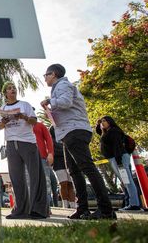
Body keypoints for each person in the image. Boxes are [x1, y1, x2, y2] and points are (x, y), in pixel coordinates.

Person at [40, 64, 115, 220]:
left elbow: (66, 102)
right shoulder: (58, 88)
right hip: (68, 132)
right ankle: (83, 208)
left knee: (87, 167)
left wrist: (49, 101)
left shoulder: (63, 85)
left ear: (53, 74)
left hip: (75, 131)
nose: (45, 78)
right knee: (74, 171)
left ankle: (106, 209)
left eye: (46, 75)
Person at [0, 82, 47, 219]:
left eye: (14, 88)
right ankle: (20, 210)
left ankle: (39, 210)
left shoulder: (25, 105)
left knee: (34, 176)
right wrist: (5, 121)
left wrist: (23, 117)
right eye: (9, 88)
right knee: (16, 177)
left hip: (27, 142)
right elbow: (0, 126)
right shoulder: (2, 108)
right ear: (5, 93)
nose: (12, 89)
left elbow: (34, 122)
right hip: (11, 144)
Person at [96, 116, 141, 211]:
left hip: (118, 158)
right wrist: (98, 124)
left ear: (110, 122)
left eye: (104, 121)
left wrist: (119, 161)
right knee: (125, 181)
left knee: (128, 181)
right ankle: (130, 203)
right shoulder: (107, 132)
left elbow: (117, 146)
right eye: (101, 122)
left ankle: (134, 204)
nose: (102, 123)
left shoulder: (114, 131)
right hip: (115, 158)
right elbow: (100, 134)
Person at [50, 126, 76, 208]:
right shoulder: (52, 140)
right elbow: (55, 151)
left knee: (71, 184)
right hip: (58, 164)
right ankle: (65, 204)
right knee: (63, 183)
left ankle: (73, 204)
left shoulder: (65, 138)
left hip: (69, 163)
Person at [32, 119, 55, 213]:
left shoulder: (40, 125)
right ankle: (32, 207)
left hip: (42, 157)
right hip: (28, 159)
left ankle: (46, 207)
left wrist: (50, 153)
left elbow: (48, 139)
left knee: (46, 182)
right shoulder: (22, 127)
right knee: (30, 183)